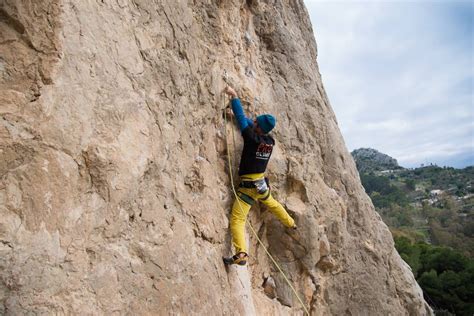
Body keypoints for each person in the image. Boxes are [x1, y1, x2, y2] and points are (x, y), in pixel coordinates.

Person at [223, 86, 297, 266]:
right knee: (272, 203)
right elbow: (248, 123)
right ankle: (290, 222)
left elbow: (242, 120)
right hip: (261, 185)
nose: (253, 122)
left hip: (248, 187)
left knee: (238, 219)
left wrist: (234, 97)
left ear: (257, 129)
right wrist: (245, 120)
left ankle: (241, 253)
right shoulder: (269, 142)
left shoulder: (251, 138)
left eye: (255, 122)